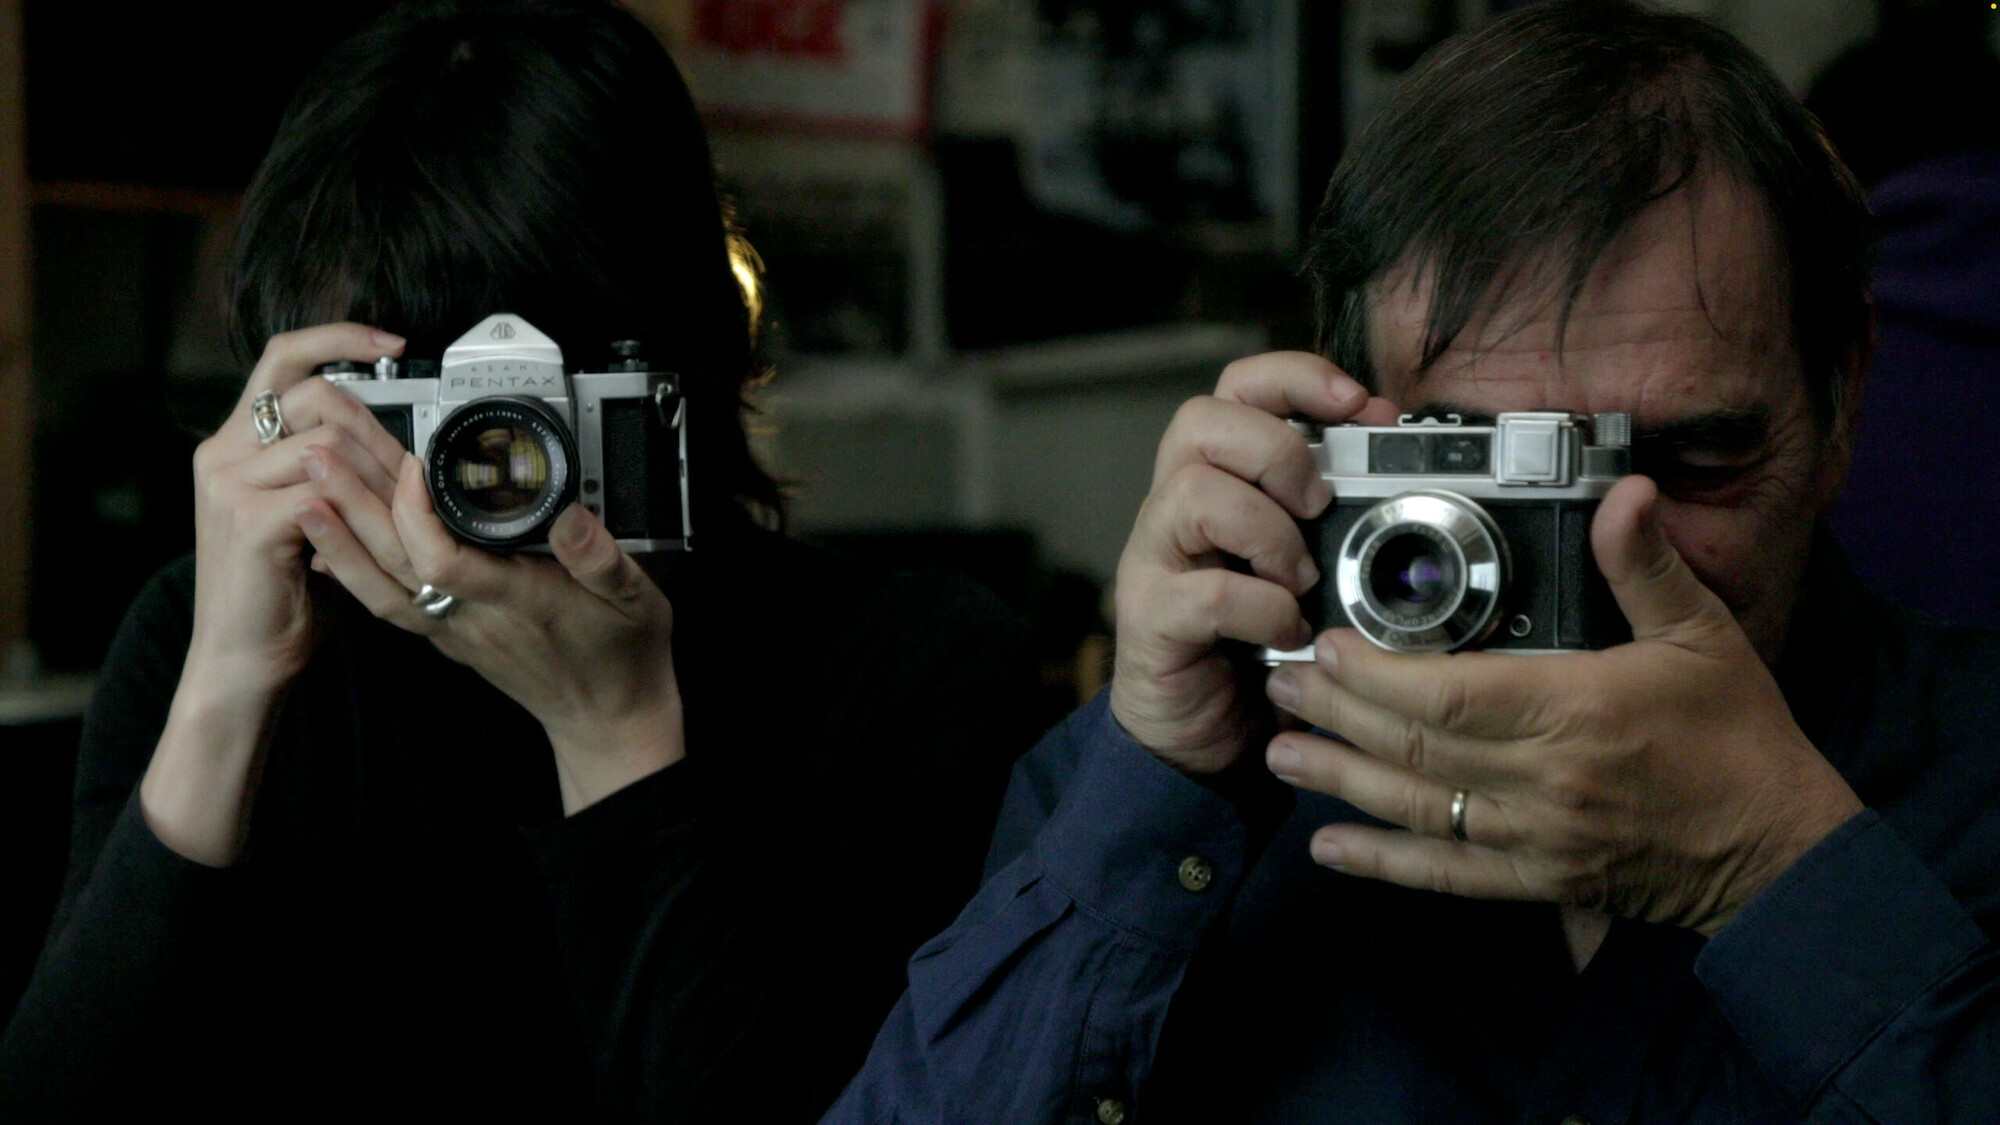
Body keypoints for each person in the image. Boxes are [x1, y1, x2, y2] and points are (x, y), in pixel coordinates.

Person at [827, 3, 2000, 1122]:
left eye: (1692, 458)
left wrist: (1779, 874)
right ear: (1337, 431)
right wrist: (1155, 788)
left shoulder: (1973, 777)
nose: (1604, 549)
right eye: (1482, 473)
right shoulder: (1179, 776)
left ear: (1841, 396)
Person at [0, 2, 1029, 1120]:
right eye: (416, 400)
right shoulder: (208, 640)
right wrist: (224, 691)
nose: (480, 462)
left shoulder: (911, 668)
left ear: (675, 366)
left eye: (529, 400)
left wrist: (617, 742)